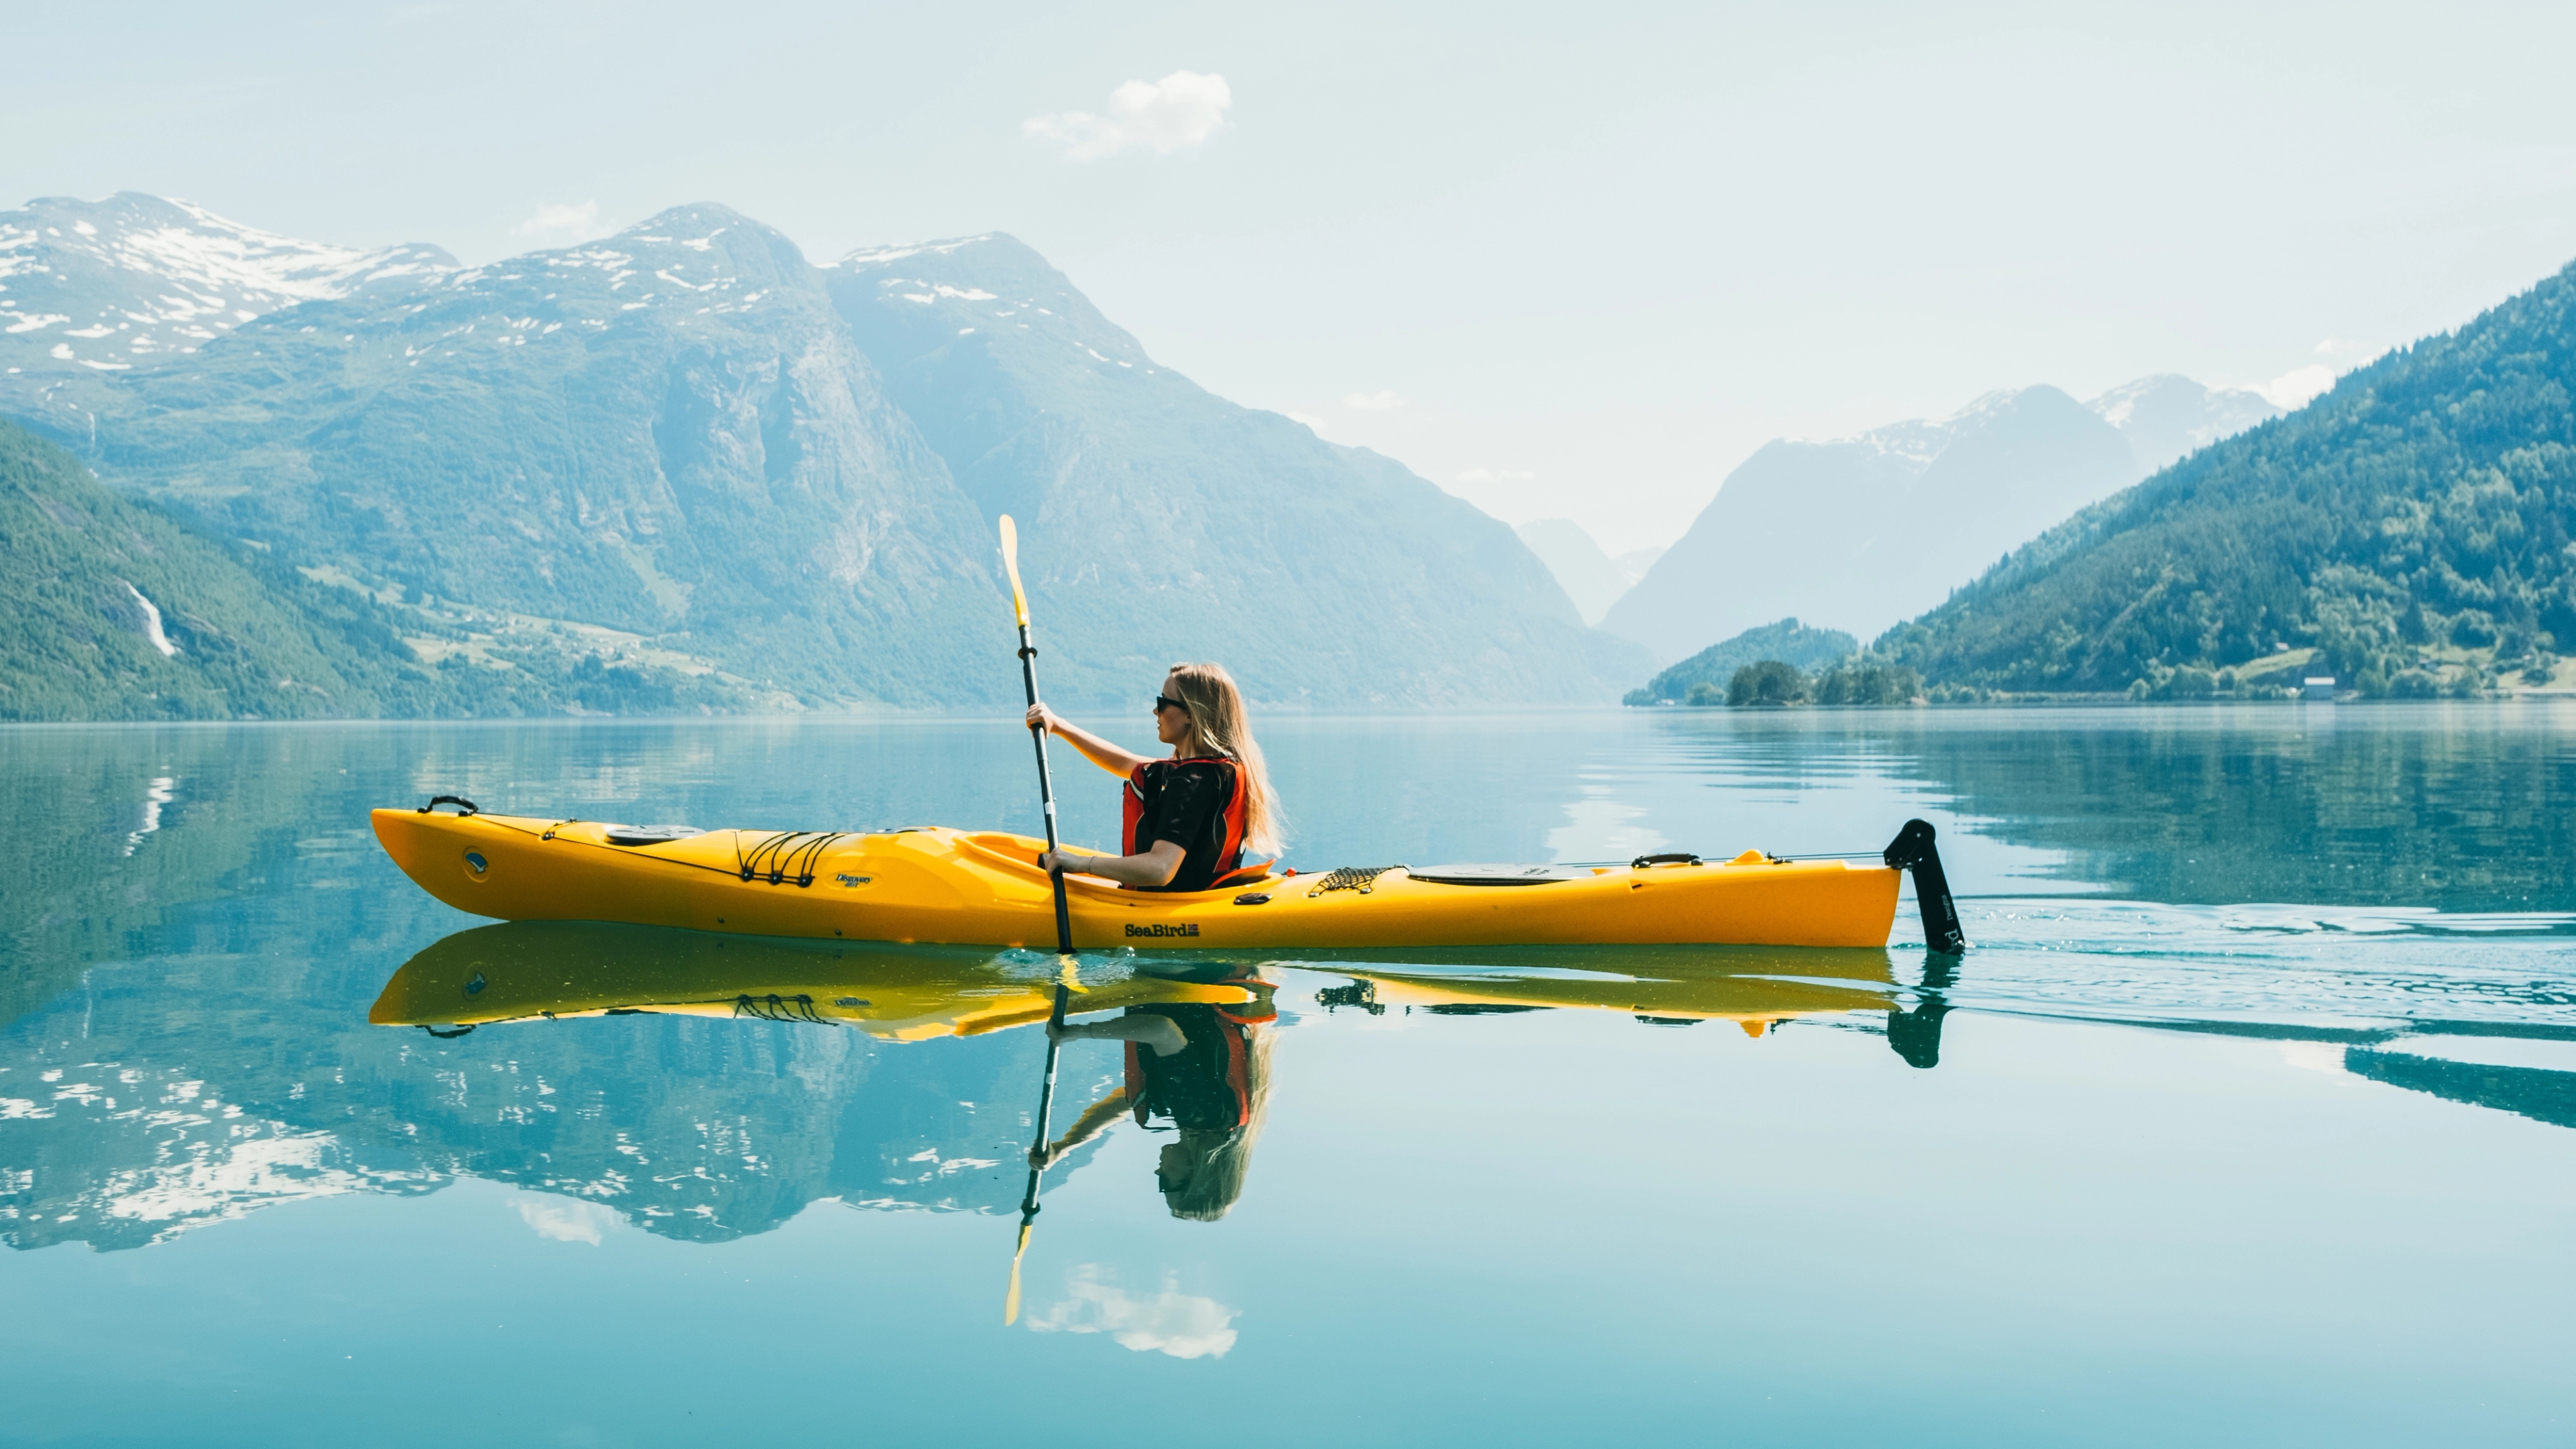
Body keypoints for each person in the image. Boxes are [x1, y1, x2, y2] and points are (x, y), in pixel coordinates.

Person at [1028, 963, 1279, 1221]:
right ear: (1195, 1173)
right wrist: (1077, 1032)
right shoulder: (1200, 1115)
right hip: (1189, 976)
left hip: (1206, 976)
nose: (1158, 1176)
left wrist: (1065, 1146)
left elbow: (1126, 1102)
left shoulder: (1219, 1122)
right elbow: (1161, 1030)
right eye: (1166, 1185)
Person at [1024, 662, 1284, 893]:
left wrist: (1081, 864)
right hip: (1209, 895)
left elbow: (1160, 869)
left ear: (1191, 715)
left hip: (1171, 910)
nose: (1155, 711)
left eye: (1163, 703)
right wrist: (1058, 725)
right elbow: (1126, 762)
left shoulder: (1191, 780)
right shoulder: (1223, 769)